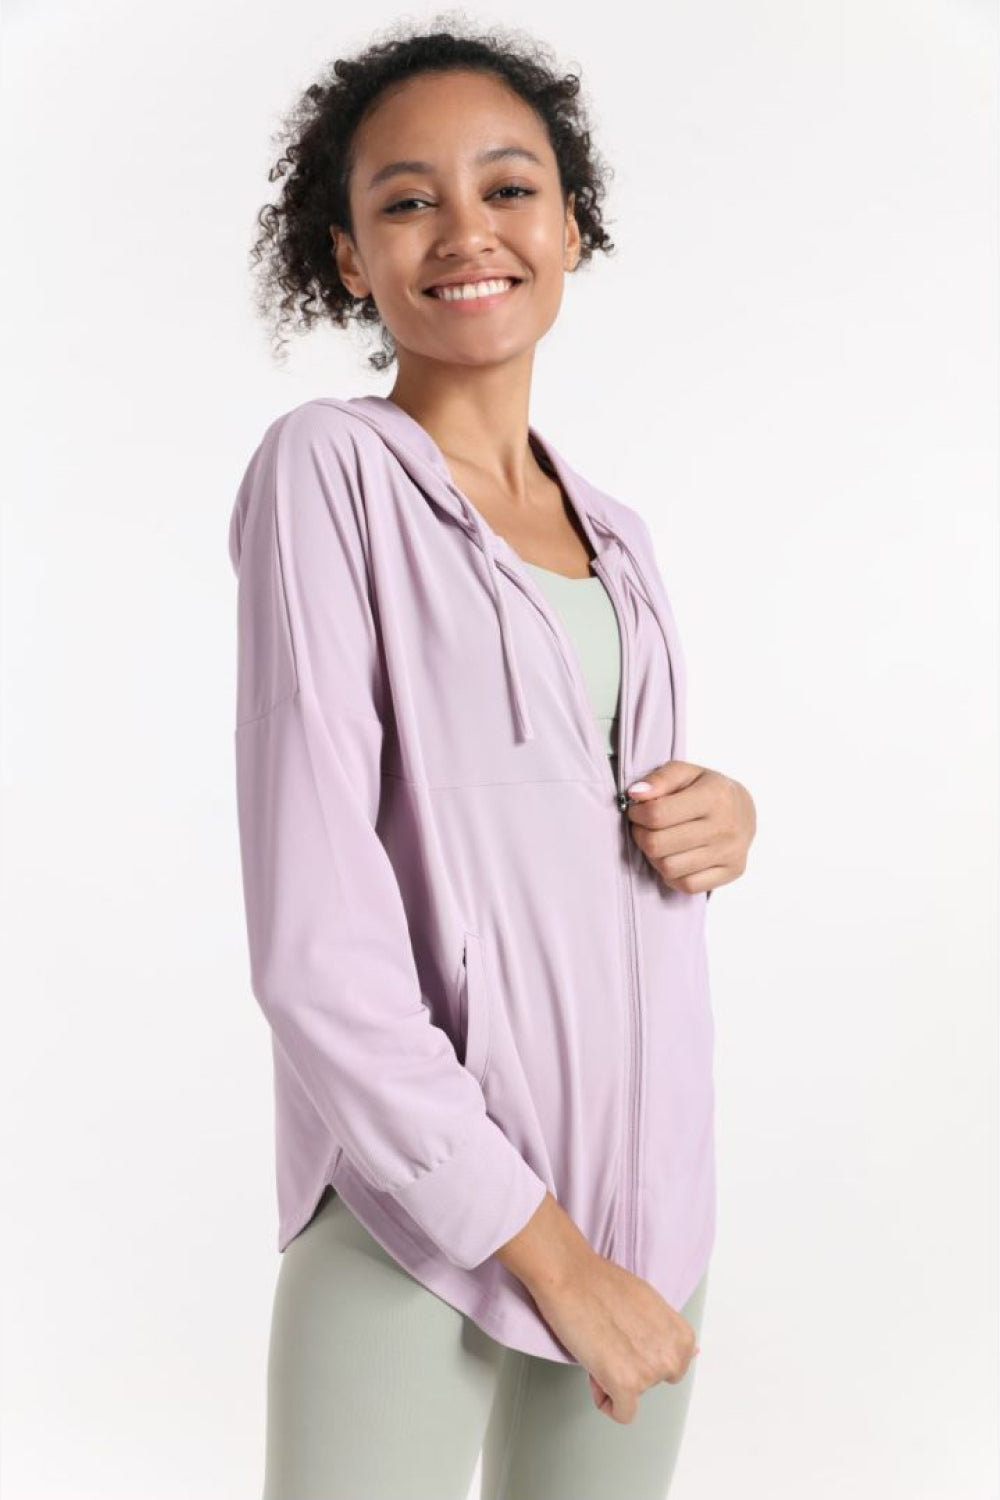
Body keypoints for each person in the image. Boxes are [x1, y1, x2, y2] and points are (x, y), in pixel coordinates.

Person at [229, 19, 757, 1500]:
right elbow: (315, 946)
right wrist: (549, 1256)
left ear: (570, 225)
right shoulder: (330, 472)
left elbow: (595, 825)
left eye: (508, 188)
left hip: (648, 1207)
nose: (466, 230)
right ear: (349, 257)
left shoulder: (619, 537)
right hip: (425, 1220)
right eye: (408, 201)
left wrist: (726, 815)